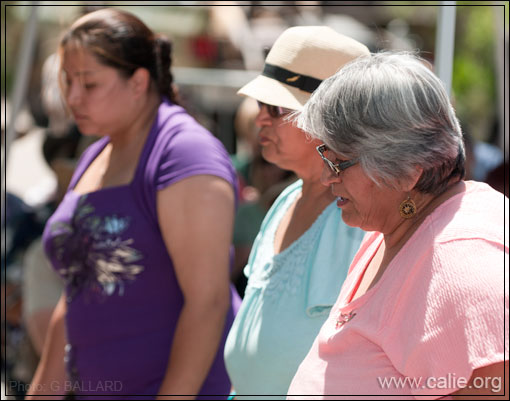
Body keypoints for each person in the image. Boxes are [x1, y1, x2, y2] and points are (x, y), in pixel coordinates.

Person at [26, 8, 239, 399]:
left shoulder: (182, 152)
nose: (72, 96)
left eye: (88, 83)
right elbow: (75, 295)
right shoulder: (96, 155)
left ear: (139, 82)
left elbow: (207, 302)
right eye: (67, 80)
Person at [287, 52, 508, 398]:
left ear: (408, 171)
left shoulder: (463, 266)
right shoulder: (394, 224)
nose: (326, 178)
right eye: (324, 155)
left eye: (339, 163)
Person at [224, 26, 369, 398]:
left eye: (275, 107)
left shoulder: (363, 216)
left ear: (329, 118)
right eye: (260, 106)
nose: (260, 119)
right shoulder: (286, 199)